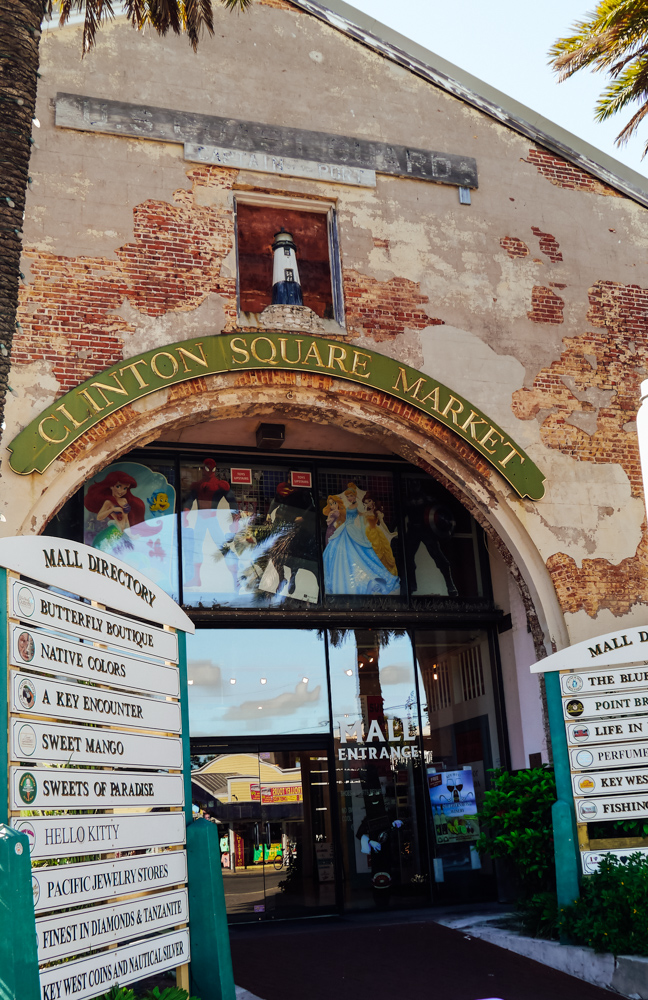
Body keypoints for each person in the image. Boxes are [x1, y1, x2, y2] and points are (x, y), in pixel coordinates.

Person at [323, 483, 399, 596]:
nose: (349, 498)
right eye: (348, 496)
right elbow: (360, 515)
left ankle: (358, 580)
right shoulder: (350, 507)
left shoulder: (356, 505)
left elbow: (361, 516)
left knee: (358, 553)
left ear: (354, 496)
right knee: (341, 552)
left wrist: (365, 531)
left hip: (352, 530)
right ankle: (344, 581)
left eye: (351, 496)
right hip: (346, 529)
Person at [181, 459, 239, 589]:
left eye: (212, 469)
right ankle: (196, 578)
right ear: (203, 469)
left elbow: (232, 502)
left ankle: (235, 578)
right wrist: (185, 516)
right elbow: (189, 501)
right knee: (198, 548)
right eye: (207, 469)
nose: (210, 472)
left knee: (223, 546)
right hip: (202, 520)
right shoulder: (198, 485)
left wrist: (235, 520)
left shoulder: (220, 485)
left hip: (211, 520)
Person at [84, 471, 145, 549]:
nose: (121, 491)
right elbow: (99, 517)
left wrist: (130, 535)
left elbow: (126, 520)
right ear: (111, 486)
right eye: (118, 486)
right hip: (113, 531)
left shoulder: (124, 501)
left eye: (125, 488)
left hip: (120, 533)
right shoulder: (108, 502)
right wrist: (112, 509)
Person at [361, 492, 398, 577]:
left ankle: (383, 574)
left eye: (369, 501)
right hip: (368, 533)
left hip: (377, 533)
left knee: (382, 552)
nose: (368, 504)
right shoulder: (366, 513)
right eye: (366, 503)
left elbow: (382, 523)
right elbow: (364, 524)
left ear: (373, 501)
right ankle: (373, 574)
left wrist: (389, 533)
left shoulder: (377, 512)